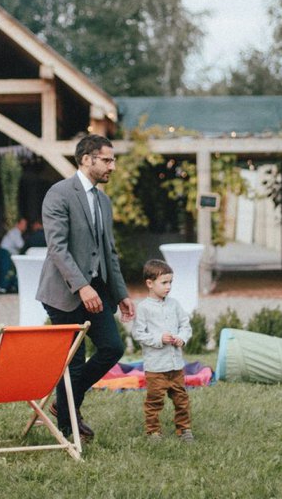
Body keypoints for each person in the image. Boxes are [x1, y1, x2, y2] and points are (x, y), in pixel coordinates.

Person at [36, 134, 134, 441]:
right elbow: (57, 248)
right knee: (74, 362)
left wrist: (121, 295)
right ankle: (68, 428)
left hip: (98, 291)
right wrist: (81, 287)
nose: (112, 166)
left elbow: (109, 252)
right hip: (63, 293)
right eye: (106, 160)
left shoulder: (104, 201)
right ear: (86, 159)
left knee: (113, 348)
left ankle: (62, 404)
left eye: (113, 160)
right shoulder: (59, 193)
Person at [130, 259, 194, 442]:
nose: (168, 287)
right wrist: (159, 339)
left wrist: (182, 338)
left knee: (182, 400)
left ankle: (184, 429)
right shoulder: (143, 308)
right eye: (164, 283)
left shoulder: (174, 304)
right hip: (156, 368)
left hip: (176, 366)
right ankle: (153, 431)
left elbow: (185, 325)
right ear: (150, 283)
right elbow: (139, 334)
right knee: (154, 401)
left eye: (170, 282)